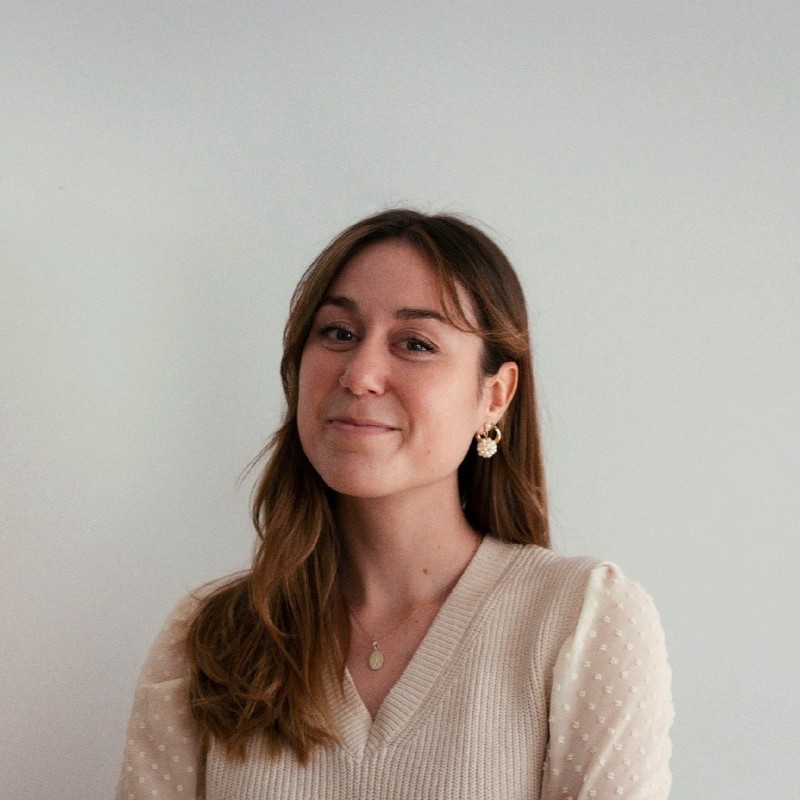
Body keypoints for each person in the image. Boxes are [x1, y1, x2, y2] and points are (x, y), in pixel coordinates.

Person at [115, 209, 673, 800]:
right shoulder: (208, 637)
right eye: (338, 333)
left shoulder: (581, 622)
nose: (360, 375)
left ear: (494, 396)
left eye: (415, 343)